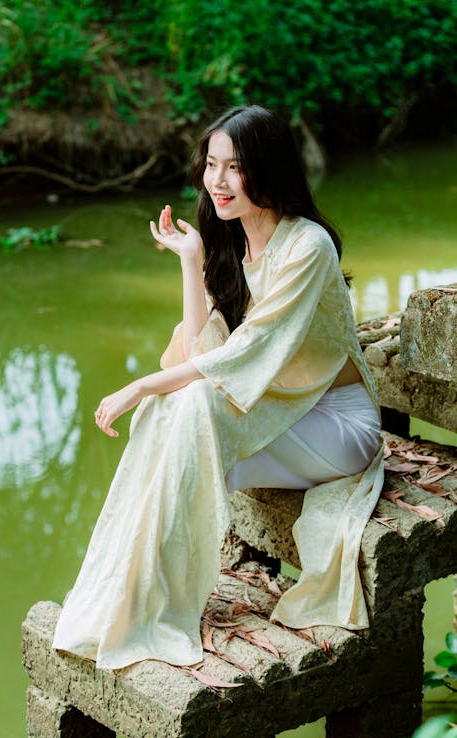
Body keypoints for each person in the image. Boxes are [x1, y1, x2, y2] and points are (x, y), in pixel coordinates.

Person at [52, 105, 384, 671]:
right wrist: (192, 261)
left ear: (268, 168)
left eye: (235, 167)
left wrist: (140, 384)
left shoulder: (307, 247)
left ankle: (156, 608)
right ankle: (131, 595)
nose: (218, 181)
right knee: (174, 412)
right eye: (212, 165)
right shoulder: (230, 243)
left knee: (185, 398)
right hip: (279, 413)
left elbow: (241, 357)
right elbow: (202, 352)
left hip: (338, 428)